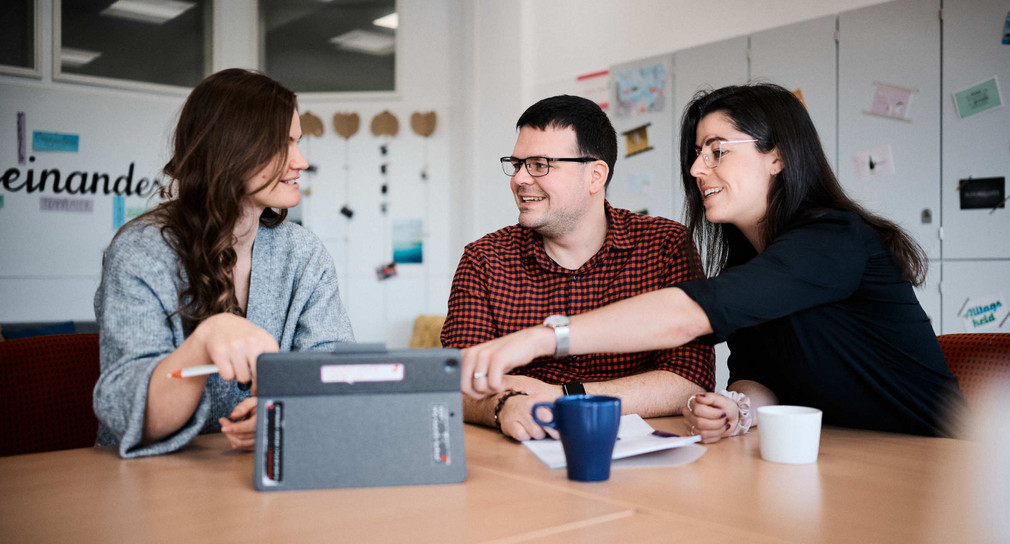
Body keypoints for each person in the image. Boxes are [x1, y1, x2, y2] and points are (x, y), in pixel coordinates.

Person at [459, 83, 966, 442]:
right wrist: (738, 408)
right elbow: (757, 377)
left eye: (717, 151)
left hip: (941, 457)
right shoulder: (748, 268)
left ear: (778, 156)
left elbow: (688, 316)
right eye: (698, 153)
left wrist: (543, 339)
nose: (698, 169)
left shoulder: (835, 239)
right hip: (843, 457)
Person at [93, 69, 355, 458]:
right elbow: (133, 418)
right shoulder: (140, 252)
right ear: (234, 149)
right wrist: (205, 340)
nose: (300, 161)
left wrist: (285, 411)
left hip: (259, 475)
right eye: (283, 144)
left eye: (298, 142)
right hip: (151, 483)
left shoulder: (304, 253)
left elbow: (336, 377)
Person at [441, 94, 714, 441]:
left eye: (540, 164)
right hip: (517, 460)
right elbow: (456, 380)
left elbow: (689, 380)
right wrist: (505, 405)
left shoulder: (664, 246)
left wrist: (561, 396)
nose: (520, 179)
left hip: (640, 465)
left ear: (595, 175)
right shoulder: (484, 259)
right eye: (517, 163)